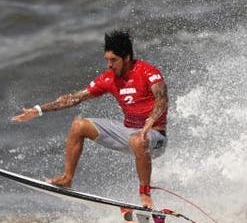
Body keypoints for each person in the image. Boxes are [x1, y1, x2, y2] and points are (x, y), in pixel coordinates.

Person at [11, 29, 168, 212]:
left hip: (155, 138)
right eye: (107, 60)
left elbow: (162, 99)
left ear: (126, 58)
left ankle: (145, 193)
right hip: (128, 132)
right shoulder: (109, 78)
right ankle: (67, 178)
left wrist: (150, 121)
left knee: (138, 139)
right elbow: (75, 98)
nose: (109, 65)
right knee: (79, 125)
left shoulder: (148, 72)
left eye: (113, 60)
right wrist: (38, 110)